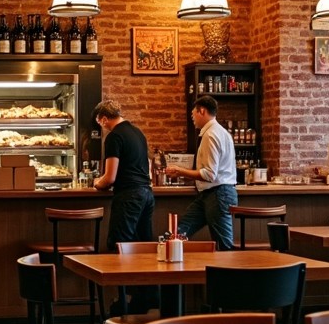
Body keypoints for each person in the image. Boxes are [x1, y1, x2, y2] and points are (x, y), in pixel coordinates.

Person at [92, 100, 157, 312]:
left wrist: (96, 183)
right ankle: (144, 300)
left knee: (120, 246)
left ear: (103, 118)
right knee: (143, 247)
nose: (102, 126)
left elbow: (110, 177)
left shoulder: (114, 137)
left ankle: (126, 303)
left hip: (129, 196)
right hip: (146, 194)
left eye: (100, 122)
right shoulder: (137, 133)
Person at [163, 96, 237, 250]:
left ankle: (230, 273)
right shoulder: (222, 133)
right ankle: (170, 263)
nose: (192, 119)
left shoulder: (211, 135)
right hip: (210, 194)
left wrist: (180, 171)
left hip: (218, 194)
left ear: (202, 111)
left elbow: (210, 174)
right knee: (177, 233)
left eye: (193, 114)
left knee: (224, 246)